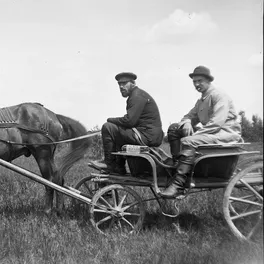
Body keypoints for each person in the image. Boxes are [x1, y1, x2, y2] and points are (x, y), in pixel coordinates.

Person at [161, 65, 242, 198]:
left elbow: (217, 123)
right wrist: (187, 122)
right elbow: (188, 116)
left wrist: (195, 135)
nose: (197, 84)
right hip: (212, 133)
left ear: (208, 80)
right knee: (175, 129)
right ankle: (178, 167)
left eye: (200, 81)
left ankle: (178, 184)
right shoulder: (202, 100)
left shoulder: (218, 95)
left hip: (225, 133)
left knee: (188, 140)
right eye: (194, 82)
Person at [90, 72, 164, 175]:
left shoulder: (136, 96)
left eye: (124, 83)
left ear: (133, 83)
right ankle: (119, 167)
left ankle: (109, 164)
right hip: (149, 135)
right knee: (118, 132)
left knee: (108, 127)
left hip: (146, 136)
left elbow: (129, 121)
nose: (121, 87)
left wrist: (110, 119)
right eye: (119, 84)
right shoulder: (138, 94)